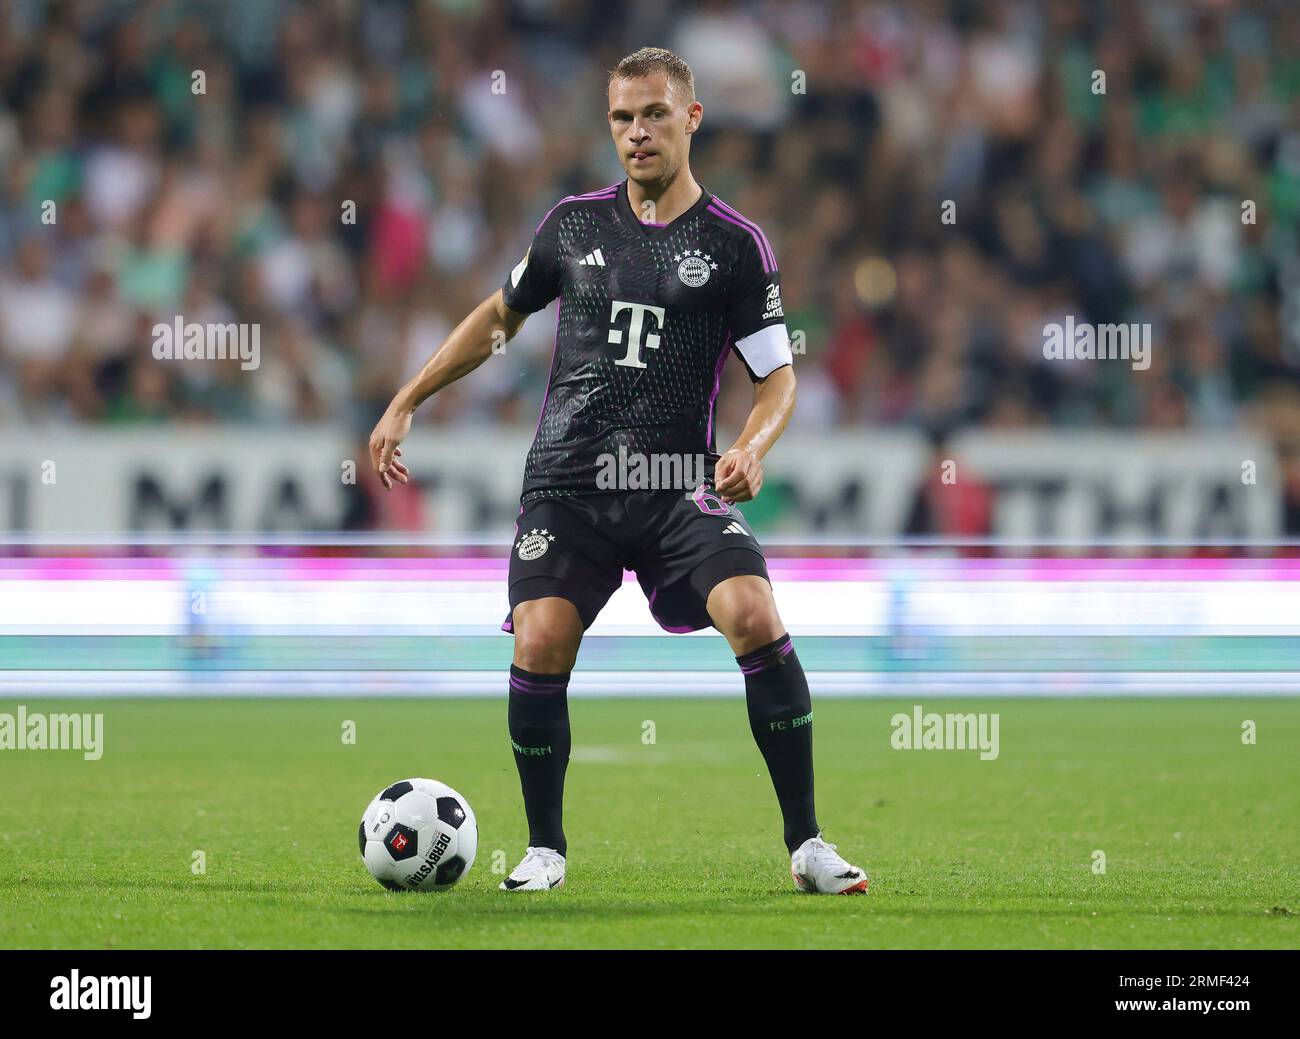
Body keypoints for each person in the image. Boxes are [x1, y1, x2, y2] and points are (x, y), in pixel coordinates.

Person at [369, 47, 867, 895]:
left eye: (655, 115)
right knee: (541, 636)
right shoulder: (572, 226)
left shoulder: (736, 247)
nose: (637, 133)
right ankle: (545, 849)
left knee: (753, 611)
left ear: (692, 119)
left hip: (679, 479)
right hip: (568, 480)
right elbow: (500, 318)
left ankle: (808, 842)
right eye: (622, 118)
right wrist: (409, 394)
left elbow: (779, 375)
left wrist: (751, 445)